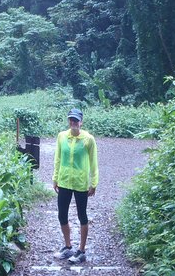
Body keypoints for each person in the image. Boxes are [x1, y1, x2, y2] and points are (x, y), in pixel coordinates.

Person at [52, 108, 98, 264]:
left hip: (80, 183)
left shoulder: (88, 139)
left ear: (81, 122)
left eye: (76, 120)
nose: (73, 123)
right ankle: (67, 246)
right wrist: (55, 177)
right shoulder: (62, 137)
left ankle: (82, 250)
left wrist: (94, 183)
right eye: (71, 120)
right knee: (62, 215)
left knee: (82, 216)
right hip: (64, 181)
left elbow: (94, 163)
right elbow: (57, 158)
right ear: (68, 121)